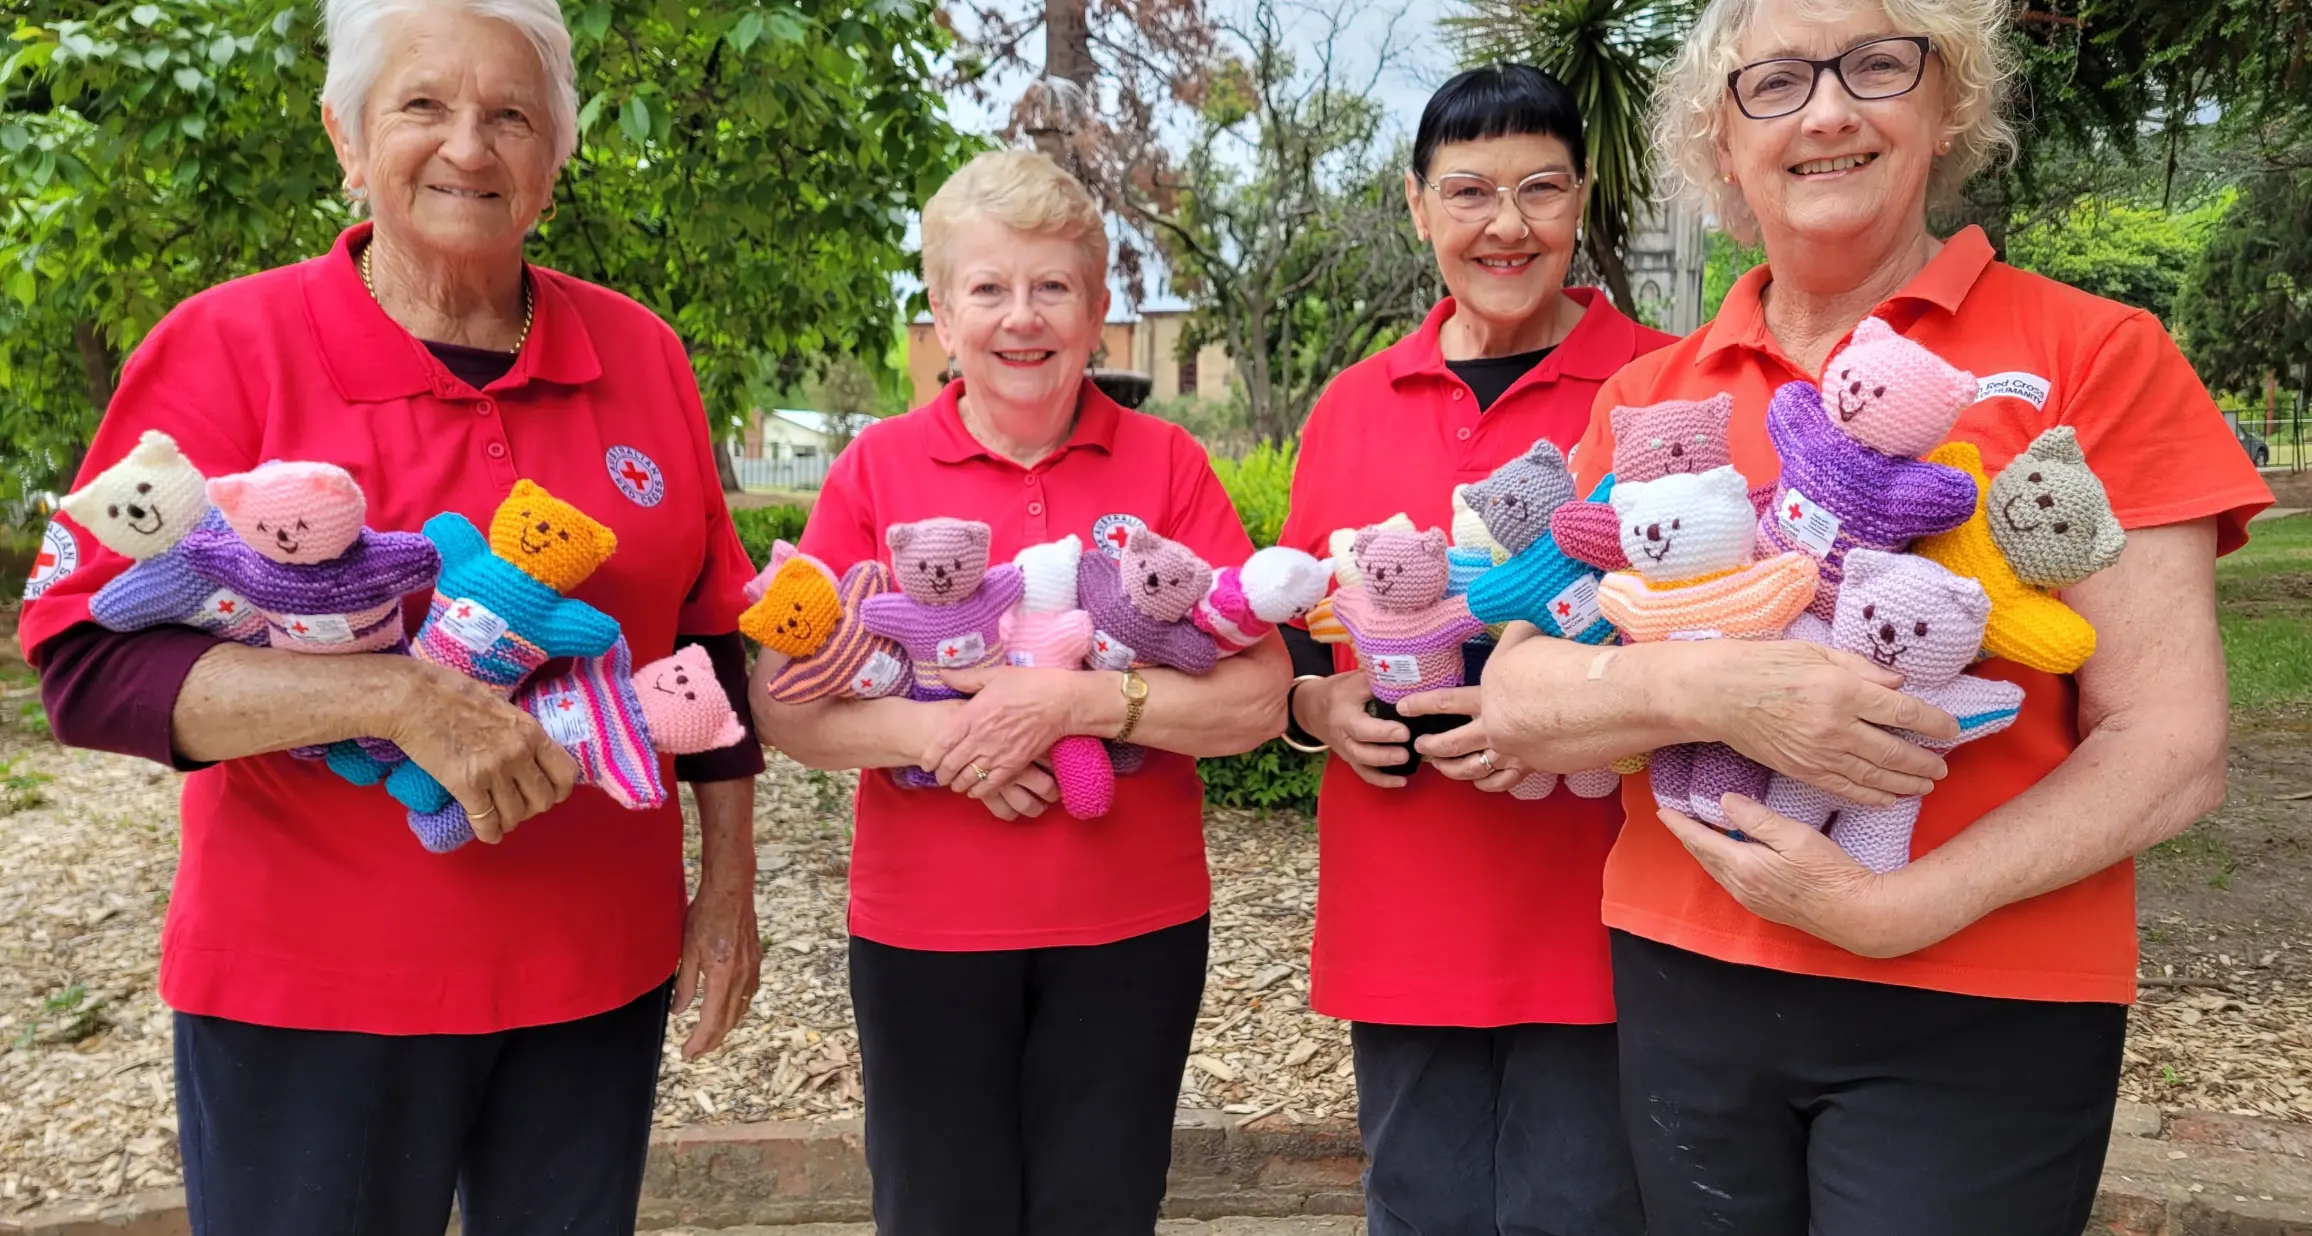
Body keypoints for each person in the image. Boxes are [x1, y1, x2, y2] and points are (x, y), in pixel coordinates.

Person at [1480, 0, 2274, 1232]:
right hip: (1687, 972)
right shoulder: (1652, 396)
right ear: (1720, 142)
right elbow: (1519, 691)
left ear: (1947, 101)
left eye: (1876, 63)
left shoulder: (2091, 352)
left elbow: (2170, 748)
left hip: (1984, 991)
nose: (1828, 109)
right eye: (1775, 81)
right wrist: (1709, 692)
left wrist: (1901, 906)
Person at [19, 0, 766, 1230]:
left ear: (556, 155)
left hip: (594, 980)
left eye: (510, 115)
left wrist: (727, 890)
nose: (467, 148)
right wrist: (396, 697)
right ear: (347, 137)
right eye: (422, 106)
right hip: (312, 991)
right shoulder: (225, 347)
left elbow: (707, 646)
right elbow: (86, 659)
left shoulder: (643, 355)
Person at [750, 149, 1291, 1236]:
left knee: (1100, 1211)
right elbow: (785, 699)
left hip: (1128, 931)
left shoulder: (1168, 465)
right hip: (923, 933)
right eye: (988, 289)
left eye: (1051, 288)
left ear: (1096, 314)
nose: (1020, 318)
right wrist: (954, 735)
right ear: (944, 317)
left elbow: (1258, 699)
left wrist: (1072, 708)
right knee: (937, 1211)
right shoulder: (873, 472)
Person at [1273, 65, 1671, 1236]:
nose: (1506, 226)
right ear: (1416, 207)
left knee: (1584, 1211)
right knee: (1416, 1208)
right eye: (1468, 192)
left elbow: (1709, 619)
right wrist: (1315, 709)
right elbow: (1302, 635)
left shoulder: (1658, 384)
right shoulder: (1352, 402)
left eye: (1539, 190)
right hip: (1405, 903)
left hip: (1605, 905)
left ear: (1581, 199)